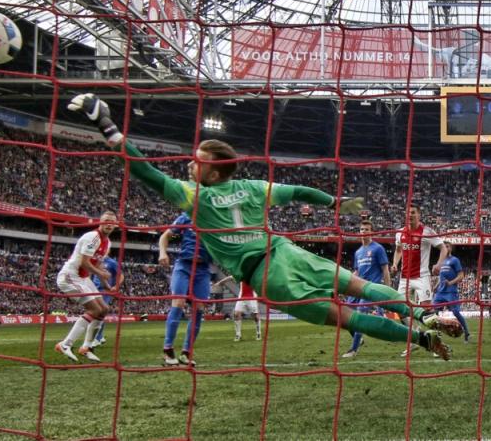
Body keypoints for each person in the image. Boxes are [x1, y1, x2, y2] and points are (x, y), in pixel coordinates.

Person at [68, 93, 462, 360]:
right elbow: (297, 192)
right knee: (356, 286)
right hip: (286, 250)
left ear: (213, 168)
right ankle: (420, 316)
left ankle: (421, 338)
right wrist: (334, 203)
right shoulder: (255, 187)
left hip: (269, 276)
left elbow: (146, 173)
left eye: (198, 158)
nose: (192, 161)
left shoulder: (194, 197)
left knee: (348, 317)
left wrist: (108, 126)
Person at [54, 210, 116, 363]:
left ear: (115, 225)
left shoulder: (107, 243)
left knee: (104, 309)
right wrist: (101, 274)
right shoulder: (92, 237)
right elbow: (84, 263)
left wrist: (107, 285)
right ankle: (65, 344)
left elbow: (98, 266)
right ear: (100, 222)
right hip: (70, 276)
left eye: (112, 221)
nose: (108, 223)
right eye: (106, 220)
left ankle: (86, 348)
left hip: (83, 278)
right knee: (94, 309)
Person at [391, 205, 449, 357]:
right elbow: (398, 250)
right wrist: (395, 263)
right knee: (399, 308)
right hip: (404, 278)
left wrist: (438, 264)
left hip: (422, 276)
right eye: (408, 212)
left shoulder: (427, 232)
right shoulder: (400, 233)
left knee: (427, 311)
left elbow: (443, 248)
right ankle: (416, 338)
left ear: (419, 214)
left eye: (413, 212)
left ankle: (438, 344)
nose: (410, 215)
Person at [158, 212, 214, 366]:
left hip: (203, 269)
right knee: (178, 303)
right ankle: (168, 350)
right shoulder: (187, 216)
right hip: (184, 265)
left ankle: (186, 353)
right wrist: (162, 253)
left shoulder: (218, 219)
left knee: (199, 309)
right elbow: (165, 236)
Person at [342, 220, 390, 358]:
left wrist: (387, 289)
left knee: (360, 314)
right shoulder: (358, 252)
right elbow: (357, 271)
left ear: (372, 232)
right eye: (362, 229)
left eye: (367, 229)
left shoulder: (378, 248)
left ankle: (354, 349)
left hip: (370, 288)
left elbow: (385, 270)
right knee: (343, 315)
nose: (364, 232)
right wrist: (346, 281)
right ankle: (359, 339)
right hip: (358, 287)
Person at [432, 242, 470, 347]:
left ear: (451, 249)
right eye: (444, 246)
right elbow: (441, 277)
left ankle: (466, 333)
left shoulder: (454, 260)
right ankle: (437, 335)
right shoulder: (441, 262)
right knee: (434, 313)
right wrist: (436, 286)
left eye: (447, 246)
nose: (445, 248)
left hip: (451, 292)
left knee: (456, 312)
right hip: (440, 292)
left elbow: (461, 275)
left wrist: (451, 283)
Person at [214, 275, 262, 341]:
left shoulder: (254, 274)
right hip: (241, 297)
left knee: (255, 316)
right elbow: (230, 277)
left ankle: (258, 333)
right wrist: (220, 282)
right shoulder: (241, 274)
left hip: (252, 298)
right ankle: (238, 334)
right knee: (236, 314)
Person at [90, 256, 124, 348]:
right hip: (95, 289)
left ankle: (97, 338)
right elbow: (93, 274)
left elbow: (121, 275)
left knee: (99, 312)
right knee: (98, 313)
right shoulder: (96, 260)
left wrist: (116, 286)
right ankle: (100, 337)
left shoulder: (112, 262)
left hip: (105, 290)